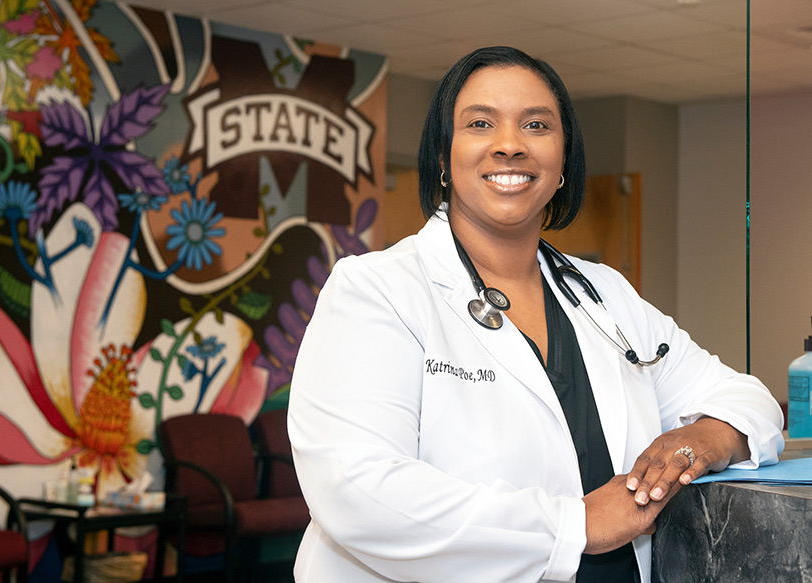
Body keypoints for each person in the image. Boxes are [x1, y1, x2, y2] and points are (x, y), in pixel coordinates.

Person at [287, 46, 784, 583]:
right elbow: (355, 490)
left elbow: (748, 400)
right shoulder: (377, 290)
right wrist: (574, 525)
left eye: (536, 125)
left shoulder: (603, 295)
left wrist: (703, 441)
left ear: (563, 161)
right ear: (441, 157)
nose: (509, 146)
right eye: (480, 123)